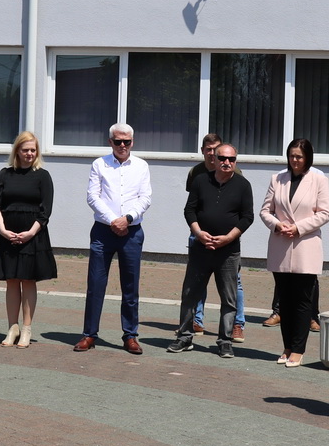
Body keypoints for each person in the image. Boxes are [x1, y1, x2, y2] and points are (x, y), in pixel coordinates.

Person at [170, 143, 254, 358]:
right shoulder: (200, 180)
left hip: (228, 252)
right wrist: (198, 233)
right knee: (190, 295)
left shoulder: (243, 185)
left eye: (232, 159)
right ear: (214, 159)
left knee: (229, 299)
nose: (227, 163)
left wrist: (228, 238)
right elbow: (190, 210)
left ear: (236, 161)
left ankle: (225, 341)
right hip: (201, 248)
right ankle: (184, 337)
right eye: (223, 158)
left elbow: (247, 217)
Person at [76, 123, 152, 355]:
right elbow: (92, 196)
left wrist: (127, 218)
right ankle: (90, 334)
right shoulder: (99, 164)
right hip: (103, 231)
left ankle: (130, 335)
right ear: (110, 141)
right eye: (117, 141)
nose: (122, 145)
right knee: (96, 285)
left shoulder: (141, 166)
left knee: (130, 287)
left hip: (131, 232)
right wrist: (113, 220)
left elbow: (145, 197)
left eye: (126, 141)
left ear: (132, 142)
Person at [259, 138, 329, 366]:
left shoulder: (319, 180)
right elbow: (265, 211)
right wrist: (276, 224)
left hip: (305, 246)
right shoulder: (277, 179)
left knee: (302, 301)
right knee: (285, 301)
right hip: (280, 245)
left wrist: (299, 227)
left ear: (308, 157)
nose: (295, 160)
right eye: (291, 156)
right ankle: (287, 346)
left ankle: (298, 349)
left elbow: (325, 213)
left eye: (299, 156)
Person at [0, 131, 56, 349]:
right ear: (17, 151)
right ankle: (13, 327)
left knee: (28, 280)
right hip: (8, 234)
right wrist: (2, 230)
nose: (29, 154)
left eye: (33, 150)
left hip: (33, 235)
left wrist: (30, 232)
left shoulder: (43, 176)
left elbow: (45, 211)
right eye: (25, 149)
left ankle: (26, 328)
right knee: (11, 281)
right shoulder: (5, 174)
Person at [187, 133, 246, 340]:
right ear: (203, 151)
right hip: (200, 236)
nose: (214, 155)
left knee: (233, 284)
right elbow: (193, 206)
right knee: (196, 283)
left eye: (217, 150)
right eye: (209, 150)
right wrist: (198, 232)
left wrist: (229, 237)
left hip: (227, 239)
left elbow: (244, 214)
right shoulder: (196, 172)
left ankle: (237, 324)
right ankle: (197, 321)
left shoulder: (236, 174)